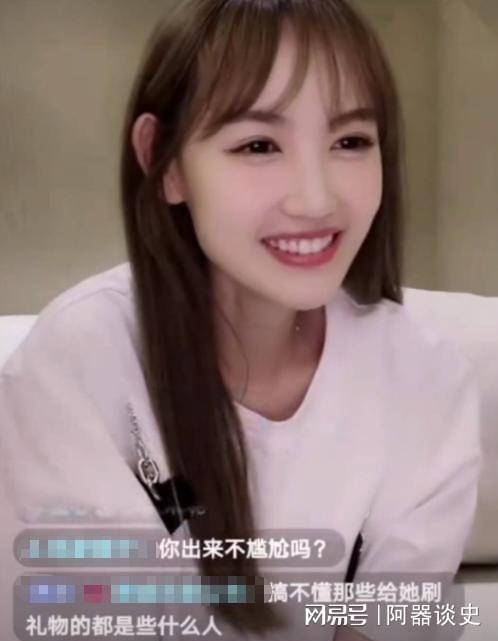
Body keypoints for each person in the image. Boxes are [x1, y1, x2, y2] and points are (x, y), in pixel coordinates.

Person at [0, 1, 482, 640]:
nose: (316, 199)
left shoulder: (424, 374)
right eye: (258, 145)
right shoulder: (78, 364)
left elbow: (390, 620)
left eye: (350, 142)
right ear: (165, 161)